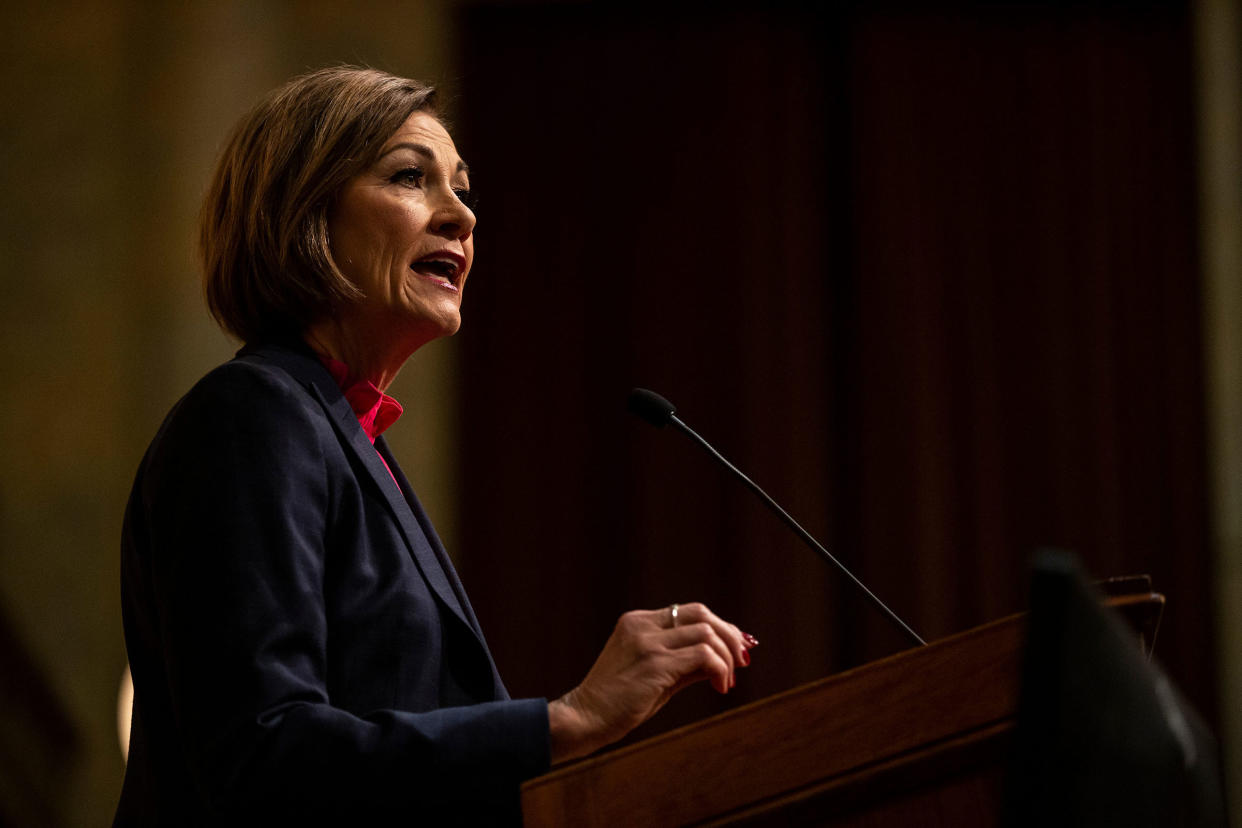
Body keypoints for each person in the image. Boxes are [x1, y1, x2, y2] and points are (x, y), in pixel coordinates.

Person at [114, 66, 757, 826]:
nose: (461, 215)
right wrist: (566, 721)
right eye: (411, 177)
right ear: (304, 214)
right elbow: (263, 755)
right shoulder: (254, 415)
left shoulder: (345, 437)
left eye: (463, 188)